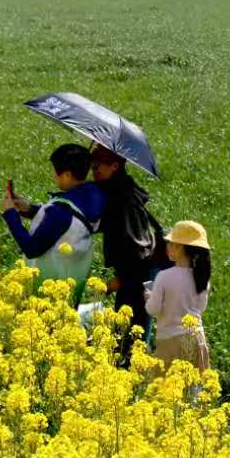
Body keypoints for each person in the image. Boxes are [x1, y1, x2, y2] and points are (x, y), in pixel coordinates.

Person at [2, 143, 106, 298]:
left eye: (56, 172)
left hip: (47, 290)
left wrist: (10, 214)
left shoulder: (61, 211)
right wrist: (29, 209)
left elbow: (31, 248)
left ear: (67, 175)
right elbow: (70, 223)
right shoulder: (94, 195)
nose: (54, 176)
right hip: (70, 286)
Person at [89, 145, 163, 355]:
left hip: (137, 278)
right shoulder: (118, 191)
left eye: (97, 167)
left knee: (129, 344)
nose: (93, 172)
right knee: (125, 339)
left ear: (114, 166)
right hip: (136, 276)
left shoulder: (123, 200)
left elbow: (138, 253)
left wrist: (117, 283)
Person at [144, 221, 212, 373]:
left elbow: (153, 310)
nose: (167, 247)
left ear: (181, 247)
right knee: (192, 390)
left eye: (171, 243)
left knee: (166, 391)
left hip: (170, 341)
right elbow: (199, 309)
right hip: (197, 338)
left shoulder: (164, 276)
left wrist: (149, 297)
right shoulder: (202, 277)